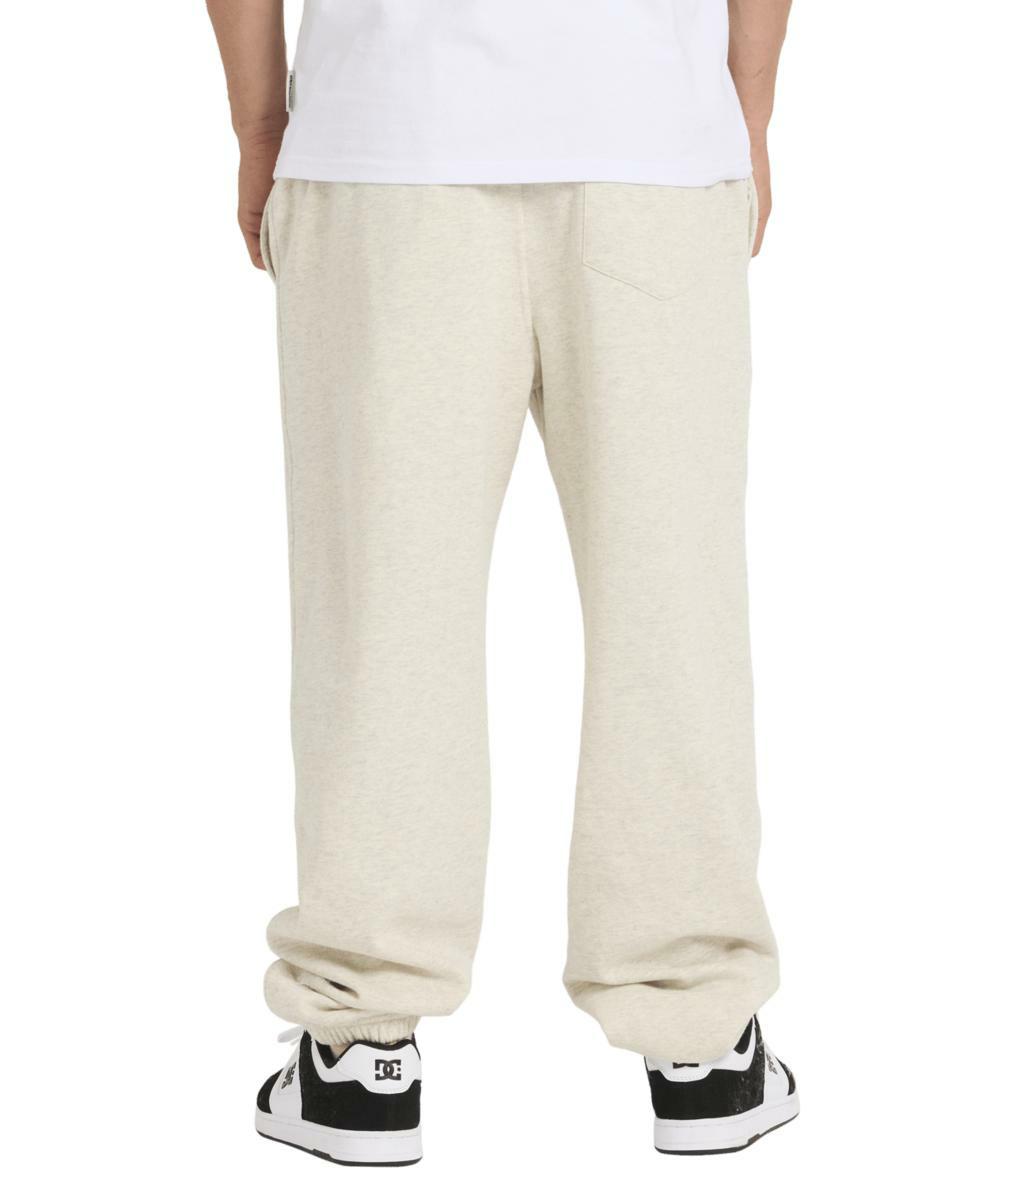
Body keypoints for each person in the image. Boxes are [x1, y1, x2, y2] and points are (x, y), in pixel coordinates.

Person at [208, 0, 796, 1164]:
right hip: (651, 140)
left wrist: (263, 124)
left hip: (389, 142)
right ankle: (700, 1037)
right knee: (672, 609)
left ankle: (361, 1045)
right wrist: (743, 108)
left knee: (382, 616)